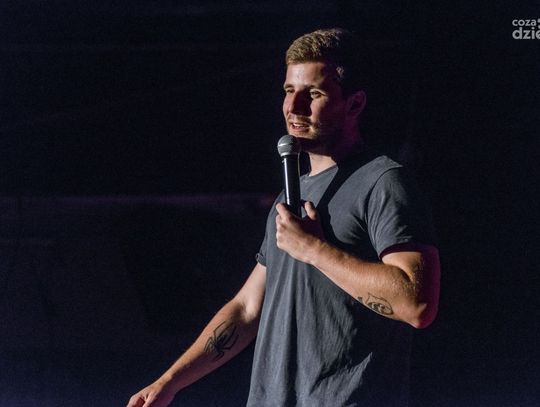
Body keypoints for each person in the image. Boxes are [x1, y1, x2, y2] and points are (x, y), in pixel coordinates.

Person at [127, 28, 440, 407]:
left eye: (314, 94)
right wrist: (170, 382)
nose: (294, 107)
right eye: (289, 90)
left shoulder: (383, 181)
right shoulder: (291, 195)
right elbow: (247, 308)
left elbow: (417, 305)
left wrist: (314, 249)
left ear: (354, 104)